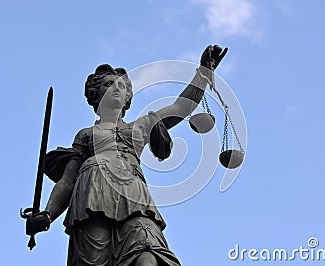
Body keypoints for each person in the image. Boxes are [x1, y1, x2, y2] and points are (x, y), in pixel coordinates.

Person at [26, 45, 227, 266]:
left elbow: (180, 107)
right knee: (94, 261)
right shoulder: (86, 135)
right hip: (91, 196)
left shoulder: (140, 127)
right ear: (96, 94)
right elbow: (67, 181)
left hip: (134, 197)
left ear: (128, 96)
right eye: (108, 84)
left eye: (121, 85)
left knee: (148, 256)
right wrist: (47, 215)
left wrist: (204, 73)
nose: (116, 88)